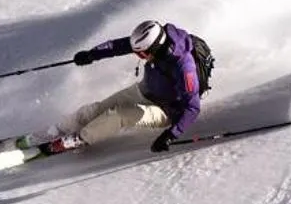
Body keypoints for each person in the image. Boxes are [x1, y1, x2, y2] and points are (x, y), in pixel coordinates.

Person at [38, 19, 205, 155]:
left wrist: (170, 135)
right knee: (96, 110)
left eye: (141, 54)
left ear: (155, 47)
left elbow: (192, 107)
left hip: (166, 110)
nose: (140, 57)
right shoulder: (153, 43)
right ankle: (60, 128)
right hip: (145, 90)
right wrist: (92, 54)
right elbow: (118, 46)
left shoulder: (184, 68)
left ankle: (79, 139)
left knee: (117, 114)